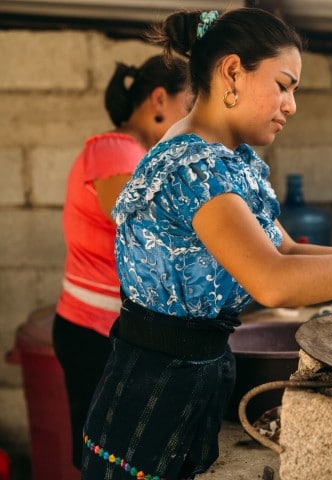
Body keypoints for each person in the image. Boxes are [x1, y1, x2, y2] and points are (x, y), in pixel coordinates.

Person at [81, 7, 332, 479]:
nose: (291, 105)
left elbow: (285, 252)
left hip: (194, 380)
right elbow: (274, 282)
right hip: (153, 396)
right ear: (232, 72)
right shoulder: (194, 167)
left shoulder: (230, 161)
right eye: (283, 85)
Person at [51, 54, 191, 470]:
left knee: (115, 460)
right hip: (92, 334)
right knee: (107, 461)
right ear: (160, 99)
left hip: (107, 332)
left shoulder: (139, 157)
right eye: (189, 107)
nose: (192, 122)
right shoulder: (115, 149)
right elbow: (141, 229)